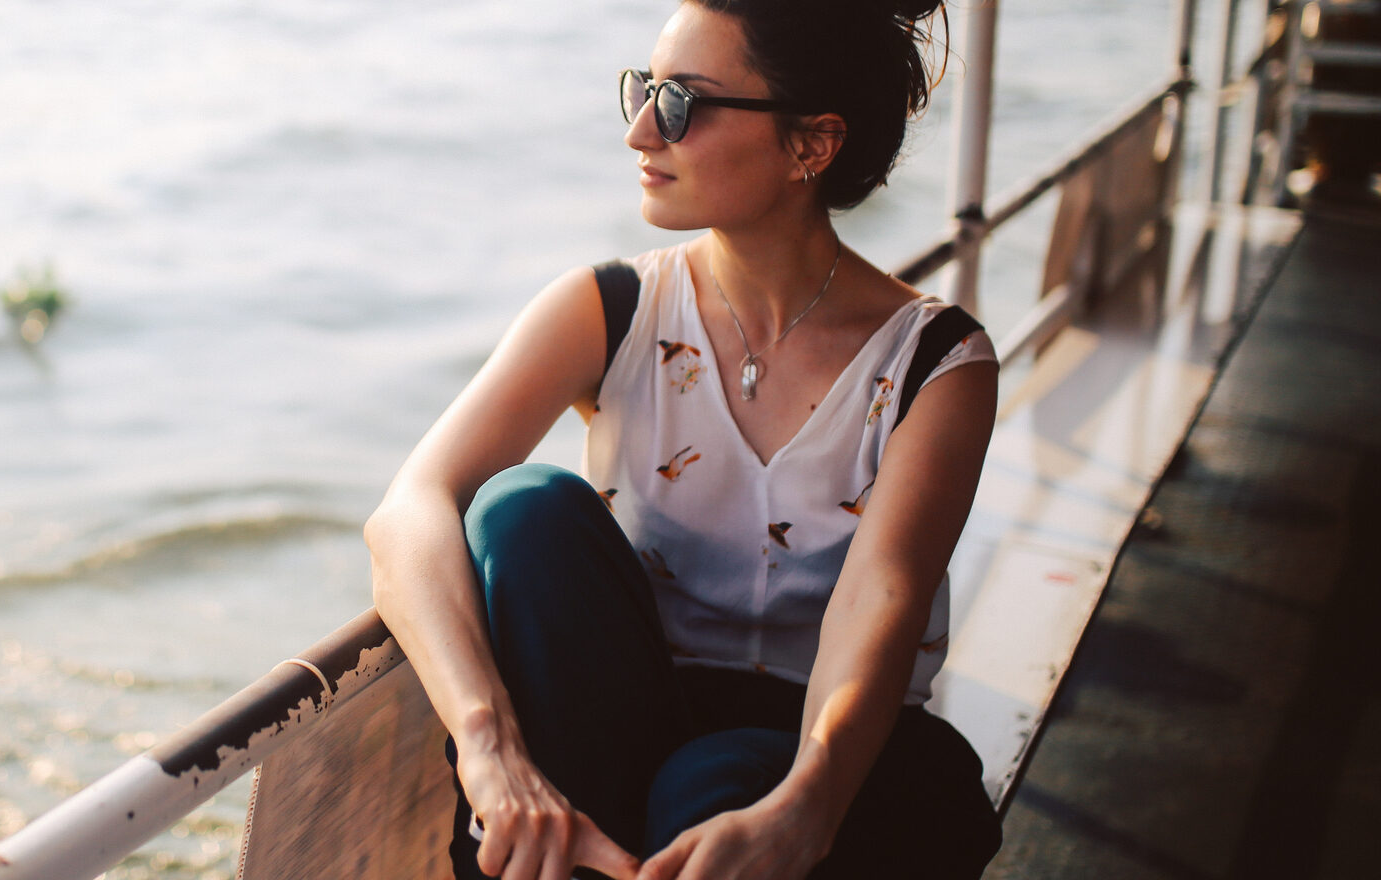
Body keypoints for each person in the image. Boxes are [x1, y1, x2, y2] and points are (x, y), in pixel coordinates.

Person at [363, 1, 1004, 878]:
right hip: (631, 720)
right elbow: (410, 509)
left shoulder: (935, 362)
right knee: (522, 507)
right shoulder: (610, 308)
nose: (638, 131)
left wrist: (806, 806)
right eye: (642, 89)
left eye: (680, 104)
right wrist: (489, 748)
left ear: (811, 144)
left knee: (710, 783)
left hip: (833, 754)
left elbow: (880, 600)